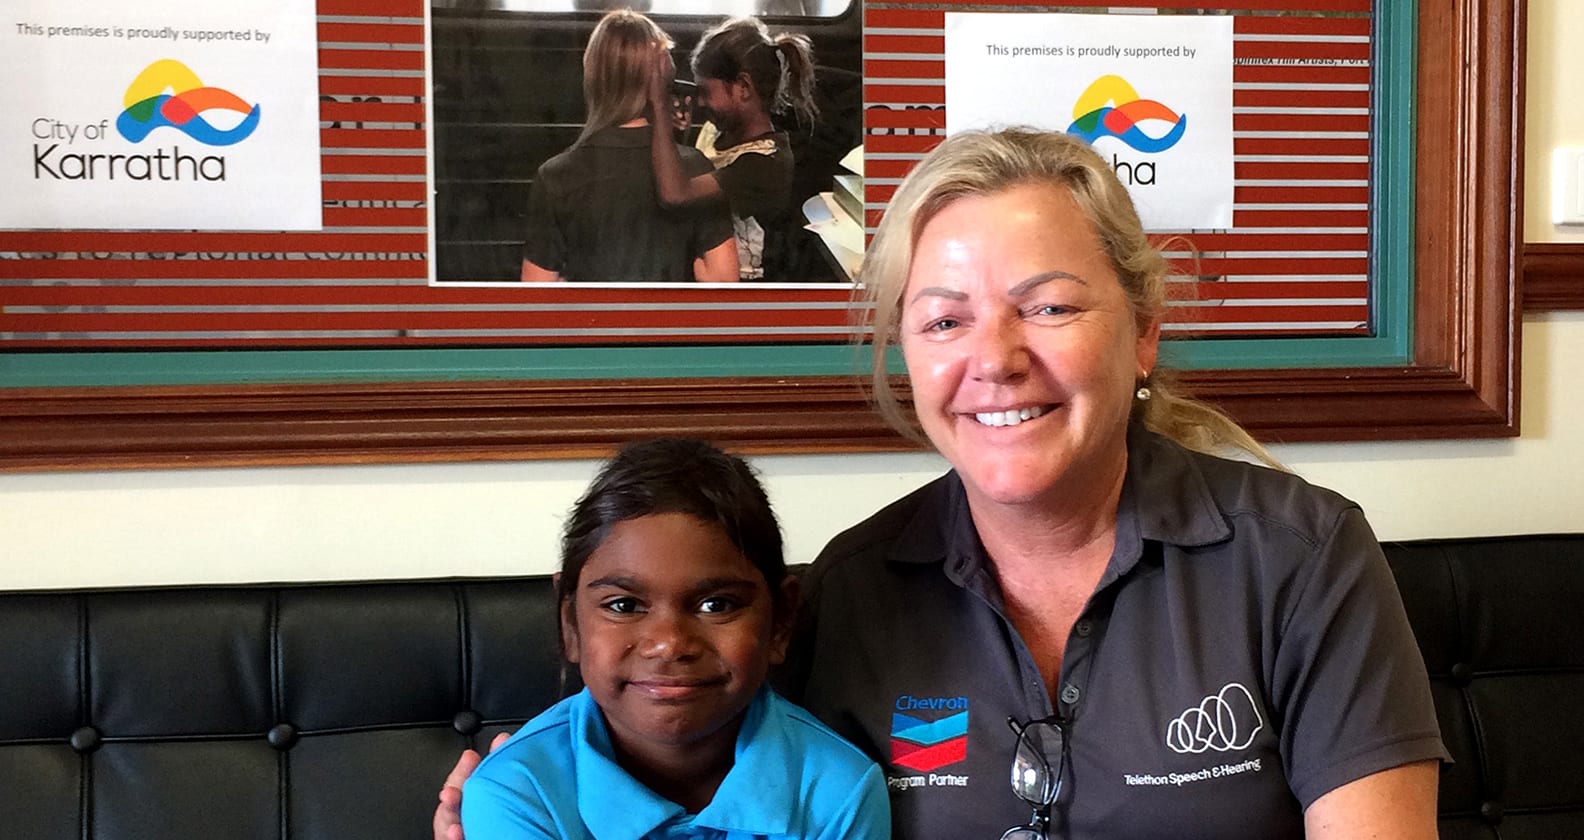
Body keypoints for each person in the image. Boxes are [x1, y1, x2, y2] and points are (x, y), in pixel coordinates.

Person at [437, 128, 1446, 839]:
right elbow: (694, 741)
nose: (995, 359)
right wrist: (514, 800)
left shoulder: (1299, 558)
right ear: (906, 357)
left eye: (1047, 308)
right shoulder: (854, 587)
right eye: (946, 319)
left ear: (1143, 333)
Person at [455, 438, 891, 839]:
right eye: (624, 606)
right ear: (570, 624)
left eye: (716, 605)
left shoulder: (837, 791)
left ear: (780, 622)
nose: (669, 643)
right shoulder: (520, 793)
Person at [520, 10, 737, 283]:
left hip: (593, 325)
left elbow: (537, 298)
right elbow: (722, 281)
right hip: (671, 325)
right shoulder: (694, 170)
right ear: (662, 82)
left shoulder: (556, 177)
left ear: (594, 78)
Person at [647, 17, 817, 281]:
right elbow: (689, 175)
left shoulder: (765, 163)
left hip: (742, 289)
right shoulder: (717, 131)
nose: (700, 102)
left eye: (706, 92)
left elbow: (676, 193)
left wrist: (657, 104)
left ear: (743, 87)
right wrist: (677, 133)